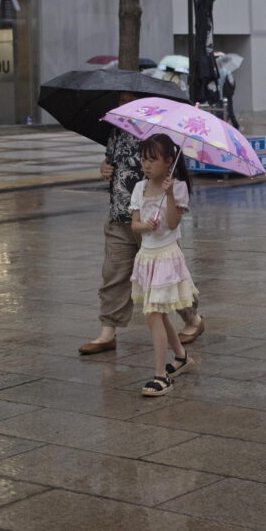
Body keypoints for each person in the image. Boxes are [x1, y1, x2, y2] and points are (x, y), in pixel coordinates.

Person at [78, 93, 203, 355]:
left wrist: (169, 196)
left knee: (168, 276)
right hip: (120, 214)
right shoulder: (116, 130)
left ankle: (192, 319)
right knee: (113, 274)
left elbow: (173, 168)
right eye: (120, 101)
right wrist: (104, 168)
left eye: (128, 100)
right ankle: (107, 332)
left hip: (156, 223)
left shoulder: (161, 134)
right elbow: (110, 160)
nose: (122, 105)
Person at [129, 134, 198, 396]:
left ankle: (161, 375)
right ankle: (180, 357)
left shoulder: (177, 188)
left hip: (166, 257)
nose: (147, 165)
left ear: (169, 161)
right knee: (156, 311)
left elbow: (172, 223)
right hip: (146, 257)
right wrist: (145, 225)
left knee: (153, 314)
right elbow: (134, 225)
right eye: (144, 159)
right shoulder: (139, 187)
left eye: (153, 160)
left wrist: (169, 195)